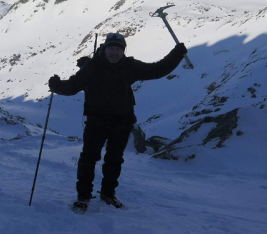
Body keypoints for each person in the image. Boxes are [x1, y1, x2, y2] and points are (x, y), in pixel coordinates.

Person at [48, 32, 187, 212]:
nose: (114, 52)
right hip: (96, 121)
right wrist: (57, 86)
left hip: (122, 122)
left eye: (118, 49)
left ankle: (108, 193)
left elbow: (156, 70)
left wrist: (176, 54)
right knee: (89, 159)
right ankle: (83, 196)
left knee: (114, 160)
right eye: (111, 48)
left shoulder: (129, 66)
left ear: (123, 51)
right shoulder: (92, 67)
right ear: (105, 50)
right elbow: (73, 86)